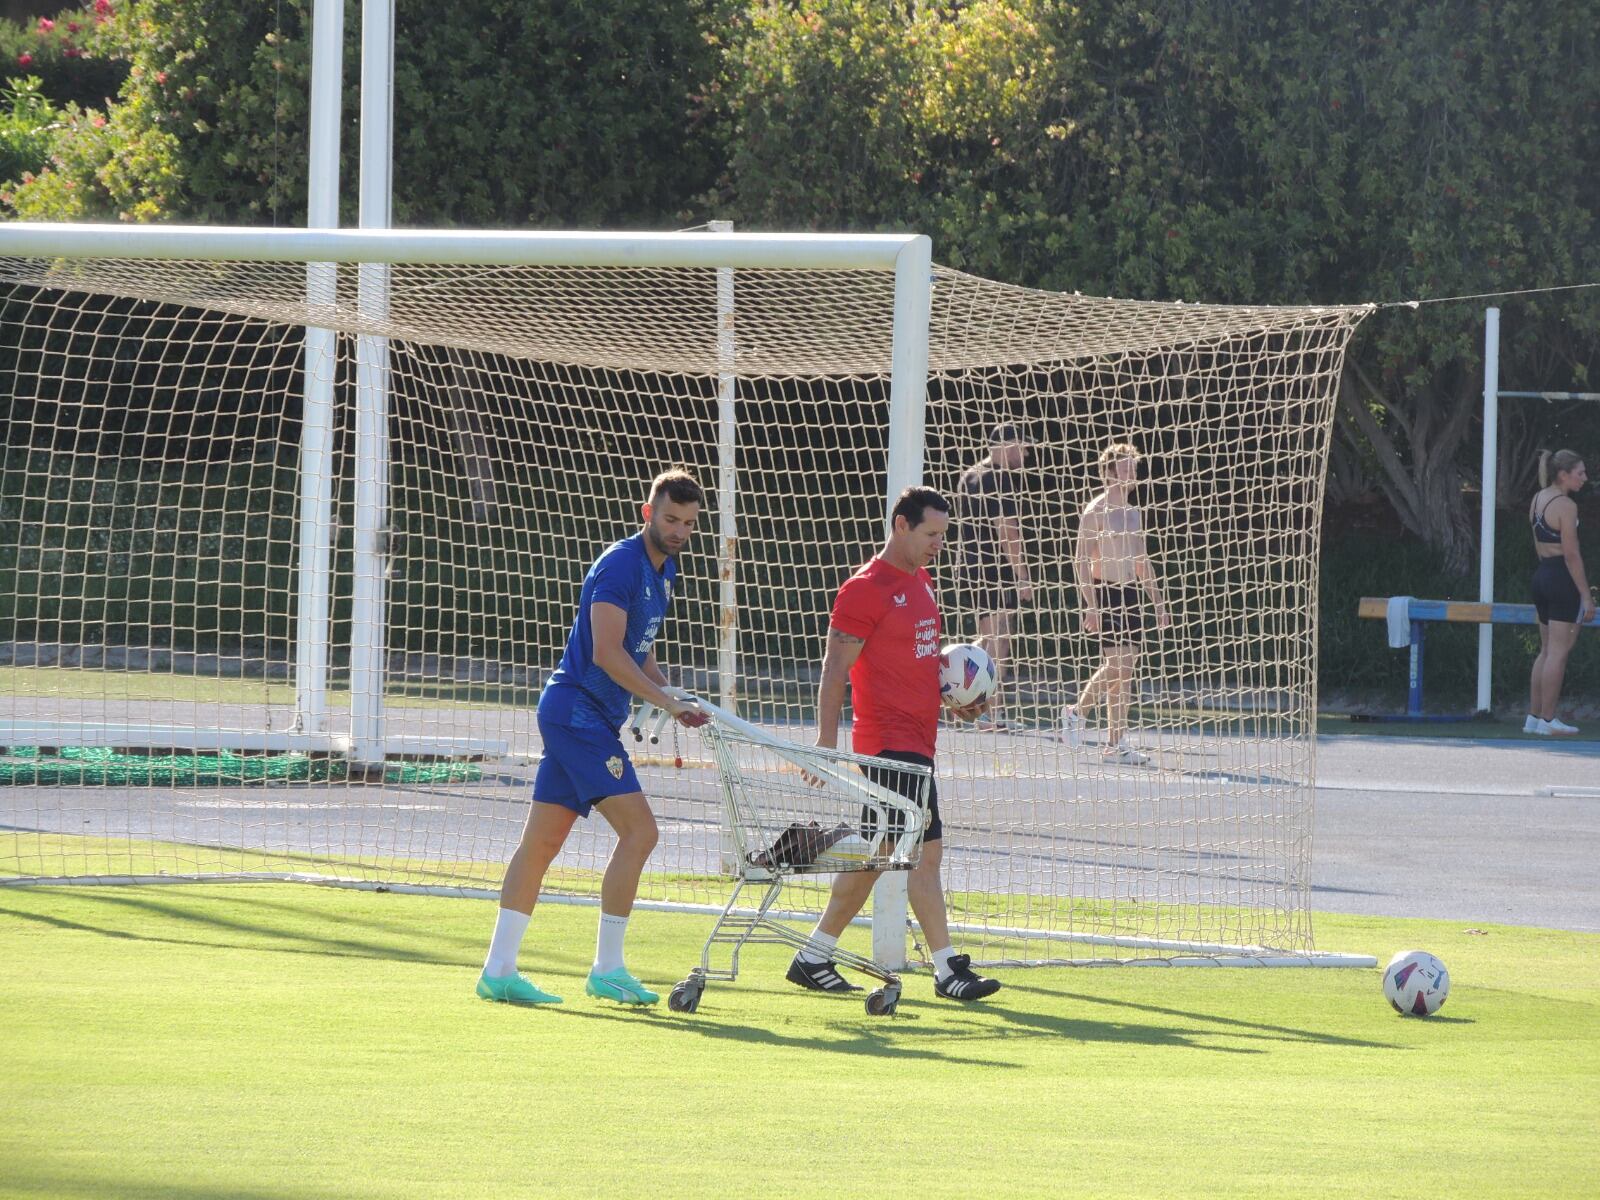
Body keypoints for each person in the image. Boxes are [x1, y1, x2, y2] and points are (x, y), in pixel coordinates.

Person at [477, 468, 709, 1006]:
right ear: (647, 513)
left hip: (587, 719)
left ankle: (498, 971)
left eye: (689, 524)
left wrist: (671, 694)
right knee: (641, 833)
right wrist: (667, 702)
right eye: (670, 519)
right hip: (576, 714)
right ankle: (607, 969)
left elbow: (638, 645)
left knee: (541, 843)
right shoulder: (621, 563)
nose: (679, 531)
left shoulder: (664, 568)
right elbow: (606, 652)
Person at [784, 485, 1003, 1002]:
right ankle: (948, 970)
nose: (938, 544)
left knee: (879, 854)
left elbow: (916, 666)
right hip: (887, 748)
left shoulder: (922, 580)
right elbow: (835, 668)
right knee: (926, 856)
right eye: (931, 533)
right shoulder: (864, 589)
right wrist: (824, 739)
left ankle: (814, 956)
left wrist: (955, 701)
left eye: (943, 535)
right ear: (900, 525)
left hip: (917, 743)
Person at [1061, 441, 1170, 764]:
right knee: (1117, 665)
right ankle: (1076, 712)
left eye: (1133, 467)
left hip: (1130, 594)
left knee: (1127, 671)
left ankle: (1115, 743)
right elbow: (1080, 561)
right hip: (1105, 592)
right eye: (1124, 468)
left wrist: (1158, 603)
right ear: (1108, 473)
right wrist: (1090, 604)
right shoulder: (1095, 511)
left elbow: (1141, 560)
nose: (1130, 473)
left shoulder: (1134, 513)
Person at [954, 424, 1035, 729]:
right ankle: (983, 712)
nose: (1026, 453)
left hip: (972, 566)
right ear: (1006, 445)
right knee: (998, 640)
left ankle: (975, 701)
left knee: (993, 641)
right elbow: (1008, 532)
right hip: (991, 569)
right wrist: (1022, 575)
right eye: (1022, 446)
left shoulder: (970, 475)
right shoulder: (998, 478)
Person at [1526, 449, 1592, 736]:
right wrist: (1586, 595)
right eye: (1580, 473)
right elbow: (1571, 554)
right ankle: (1549, 721)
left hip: (1541, 576)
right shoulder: (1566, 505)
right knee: (1559, 652)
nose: (1584, 478)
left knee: (1546, 650)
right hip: (1560, 578)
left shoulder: (1538, 499)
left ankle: (1534, 717)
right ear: (1563, 475)